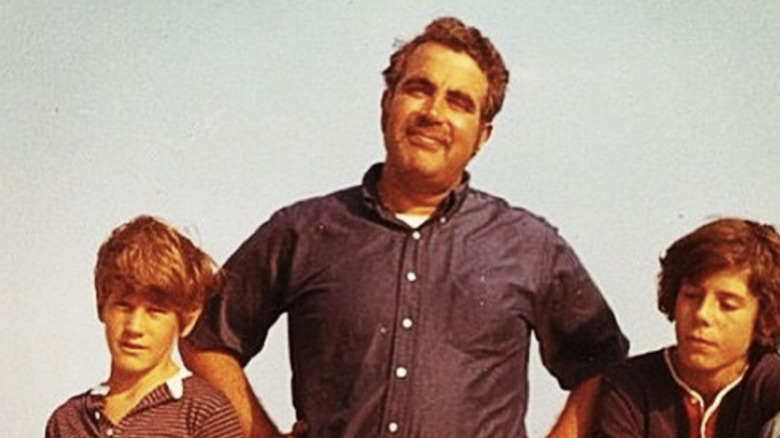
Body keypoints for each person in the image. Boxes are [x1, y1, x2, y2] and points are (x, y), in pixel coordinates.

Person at [181, 17, 628, 438]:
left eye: (459, 102)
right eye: (419, 88)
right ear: (386, 102)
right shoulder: (303, 232)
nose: (433, 112)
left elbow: (602, 366)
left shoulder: (531, 247)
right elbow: (205, 339)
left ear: (482, 135)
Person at [45, 215, 243, 438]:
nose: (135, 327)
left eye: (155, 311)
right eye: (123, 306)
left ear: (185, 320)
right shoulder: (67, 420)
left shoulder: (206, 413)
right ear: (102, 307)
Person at [592, 218, 780, 438]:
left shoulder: (771, 384)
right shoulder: (629, 387)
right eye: (691, 296)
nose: (702, 314)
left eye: (727, 305)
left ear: (763, 316)